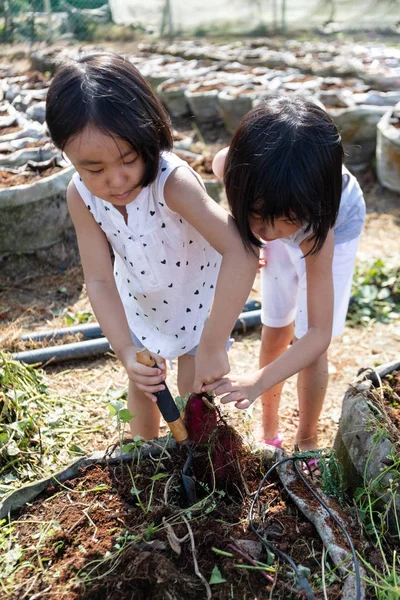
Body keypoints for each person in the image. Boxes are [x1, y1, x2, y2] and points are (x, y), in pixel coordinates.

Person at [45, 52, 258, 440]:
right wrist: (126, 351)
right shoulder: (81, 196)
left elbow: (241, 250)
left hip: (197, 313)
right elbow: (99, 280)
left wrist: (213, 343)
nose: (116, 179)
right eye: (94, 169)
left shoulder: (171, 183)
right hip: (140, 308)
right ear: (68, 155)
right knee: (144, 389)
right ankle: (143, 459)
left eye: (128, 158)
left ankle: (202, 469)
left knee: (196, 398)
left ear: (149, 134)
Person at [206, 94, 365, 460]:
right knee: (276, 325)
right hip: (291, 208)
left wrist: (257, 380)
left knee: (308, 342)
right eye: (256, 216)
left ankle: (307, 438)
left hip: (334, 226)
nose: (268, 230)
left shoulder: (318, 228)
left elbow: (318, 336)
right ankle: (269, 427)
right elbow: (246, 216)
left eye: (281, 220)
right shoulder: (230, 166)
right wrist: (248, 238)